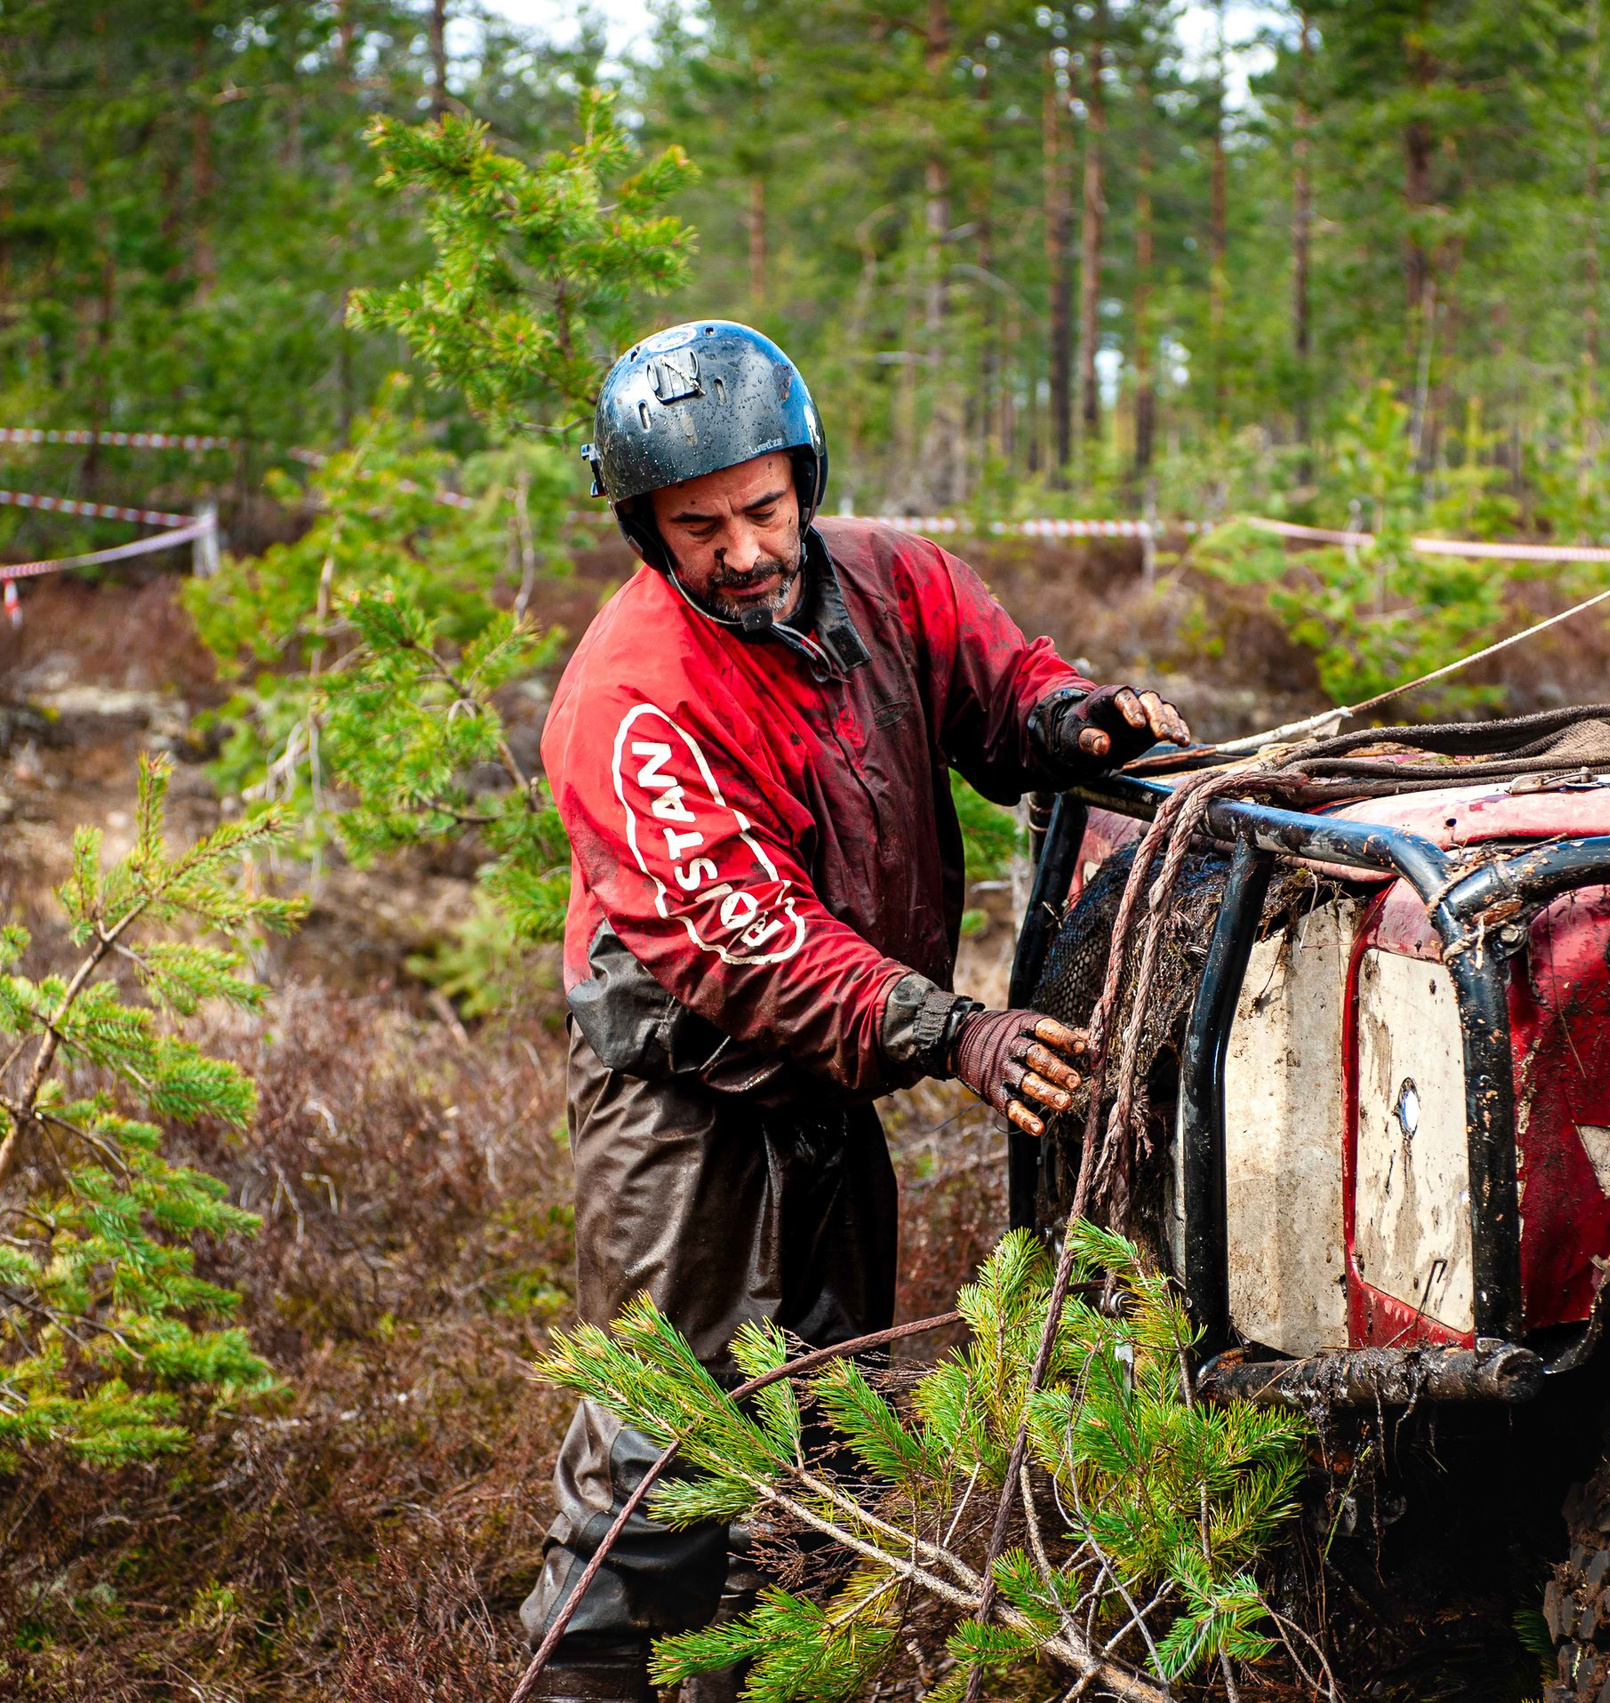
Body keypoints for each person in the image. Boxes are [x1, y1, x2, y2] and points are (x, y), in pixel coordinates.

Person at [520, 320, 1190, 1699]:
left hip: (833, 1090)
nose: (742, 549)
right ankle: (584, 1677)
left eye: (761, 507)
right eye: (697, 526)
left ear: (804, 478)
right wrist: (958, 1032)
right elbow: (751, 950)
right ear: (646, 528)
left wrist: (1075, 721)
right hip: (683, 1104)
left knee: (834, 1440)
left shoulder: (894, 582)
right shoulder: (632, 702)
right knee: (658, 1460)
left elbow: (1000, 690)